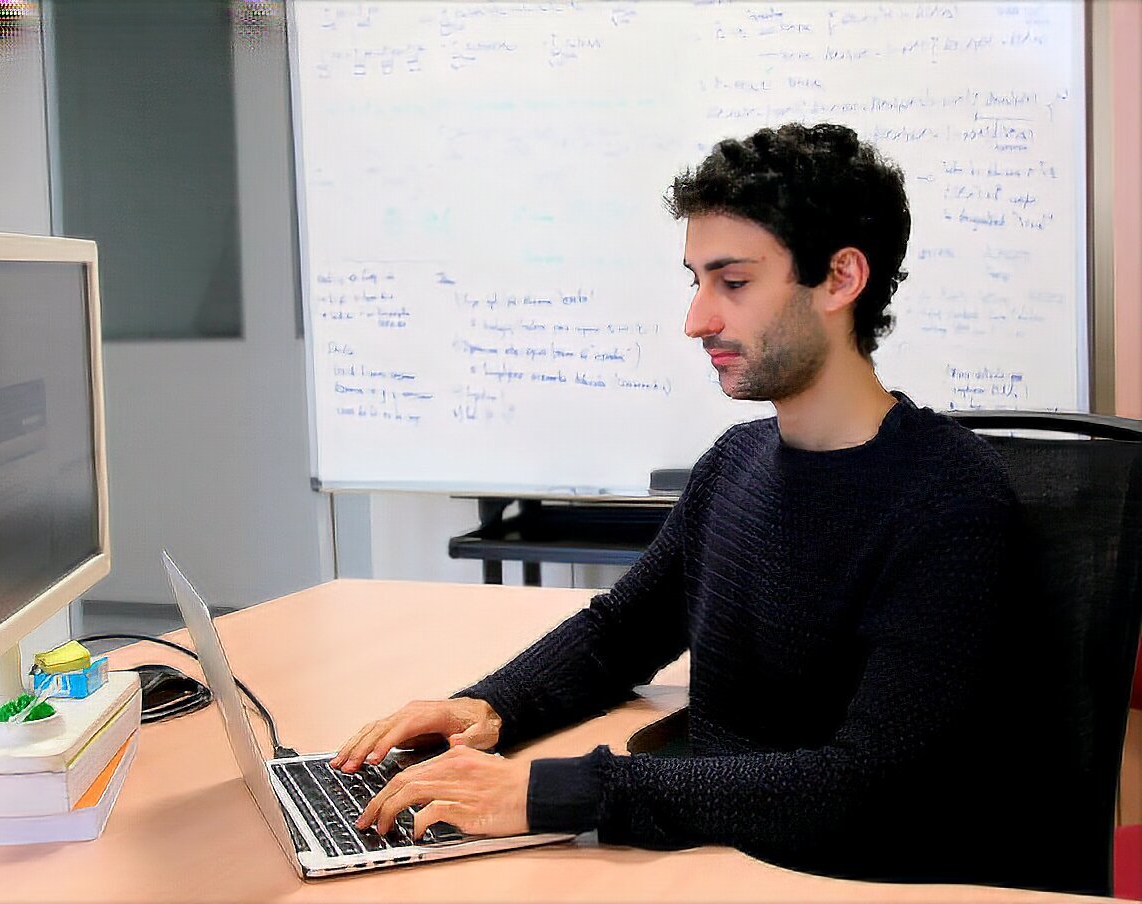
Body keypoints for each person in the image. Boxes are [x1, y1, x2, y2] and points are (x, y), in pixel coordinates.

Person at [331, 123, 1087, 893]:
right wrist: (488, 706)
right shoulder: (735, 465)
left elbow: (862, 783)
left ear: (839, 279)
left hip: (841, 877)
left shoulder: (950, 499)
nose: (696, 320)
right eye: (694, 281)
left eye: (732, 283)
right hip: (713, 858)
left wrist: (552, 793)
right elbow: (620, 633)